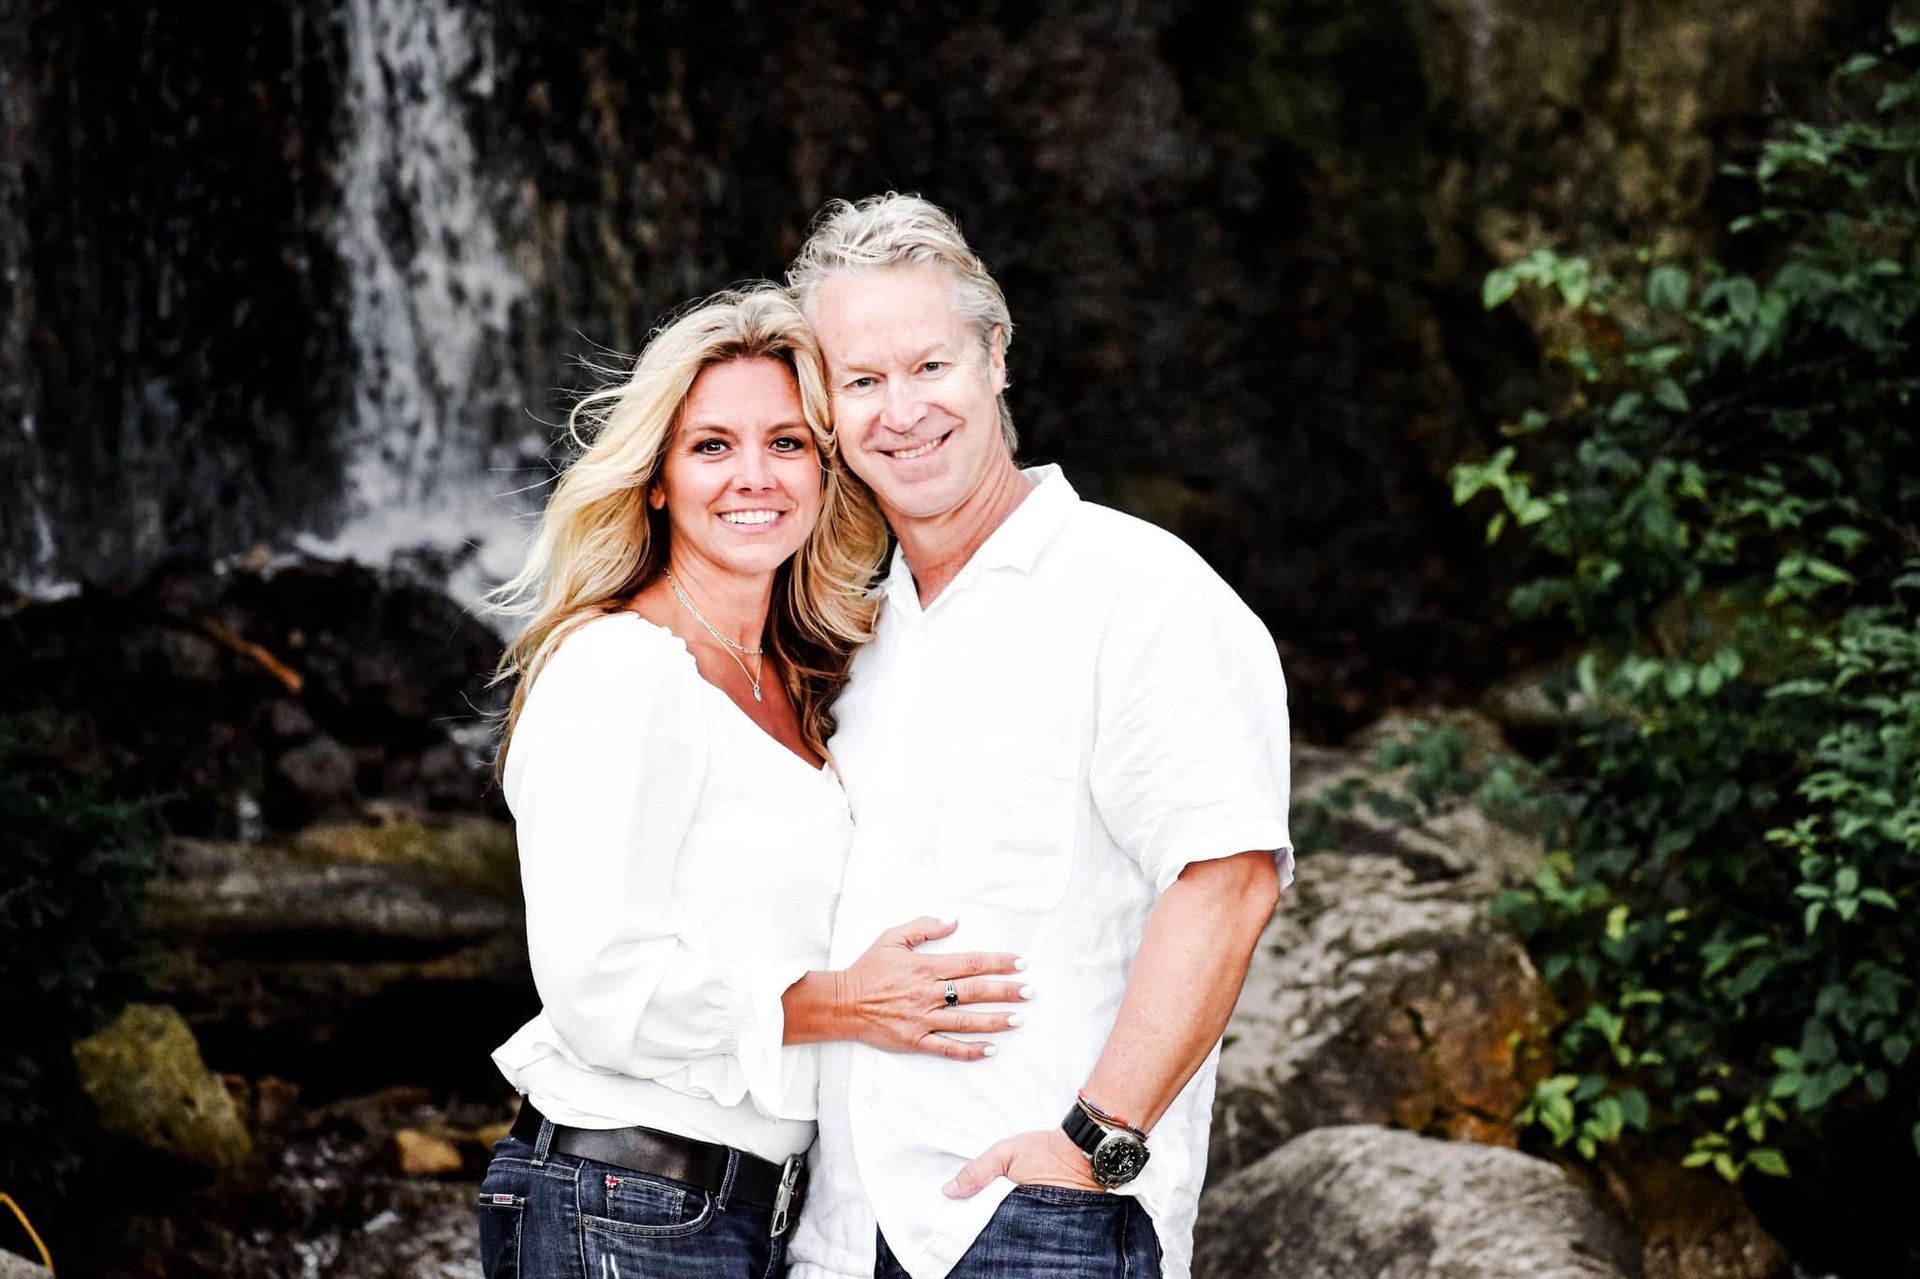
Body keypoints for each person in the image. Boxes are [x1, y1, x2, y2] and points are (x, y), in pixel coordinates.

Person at [781, 196, 1293, 1279]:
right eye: (862, 381)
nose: (901, 410)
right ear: (827, 406)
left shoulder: (1138, 591)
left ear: (996, 358)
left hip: (1037, 1219)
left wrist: (1094, 1142)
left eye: (930, 367)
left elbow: (1230, 876)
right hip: (845, 1227)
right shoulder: (858, 638)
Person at [478, 285, 1029, 1279]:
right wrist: (847, 1004)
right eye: (712, 446)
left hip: (753, 1211)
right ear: (655, 478)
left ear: (826, 471)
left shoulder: (806, 679)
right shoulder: (621, 668)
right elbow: (599, 983)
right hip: (623, 1197)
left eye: (787, 443)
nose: (755, 477)